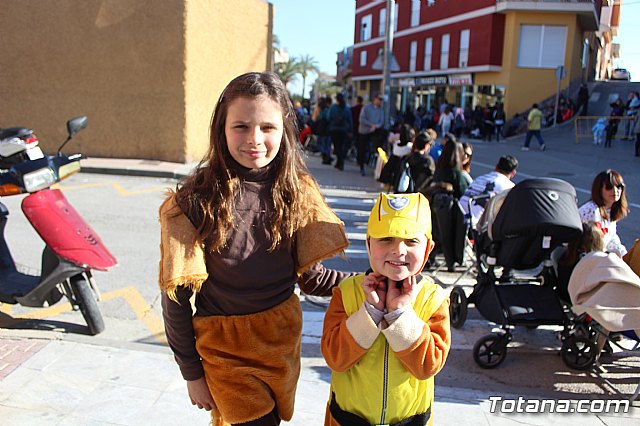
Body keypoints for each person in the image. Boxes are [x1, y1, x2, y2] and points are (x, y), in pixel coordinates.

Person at [159, 72, 352, 426]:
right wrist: (192, 372)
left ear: (285, 130)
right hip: (223, 351)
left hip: (280, 345)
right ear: (222, 128)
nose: (254, 140)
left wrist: (365, 280)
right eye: (241, 126)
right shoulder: (192, 202)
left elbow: (312, 279)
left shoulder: (299, 193)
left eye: (267, 127)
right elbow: (175, 298)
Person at [321, 192, 451, 426]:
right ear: (369, 243)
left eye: (411, 241)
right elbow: (335, 358)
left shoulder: (433, 299)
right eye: (386, 239)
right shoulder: (348, 292)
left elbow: (427, 366)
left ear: (428, 248)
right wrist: (370, 312)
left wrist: (399, 315)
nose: (398, 250)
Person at [579, 169, 629, 257]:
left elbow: (612, 240)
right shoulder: (592, 210)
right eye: (609, 187)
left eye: (619, 186)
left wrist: (626, 257)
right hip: (588, 259)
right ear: (599, 190)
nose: (615, 190)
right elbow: (593, 245)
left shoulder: (610, 209)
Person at [459, 155, 518, 224]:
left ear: (496, 167)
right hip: (474, 225)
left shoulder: (480, 178)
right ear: (513, 173)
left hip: (456, 216)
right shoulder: (509, 187)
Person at [358, 94, 385, 176]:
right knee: (362, 148)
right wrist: (371, 125)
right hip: (365, 131)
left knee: (377, 148)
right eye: (379, 99)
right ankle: (361, 166)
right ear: (375, 99)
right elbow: (362, 119)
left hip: (375, 132)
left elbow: (381, 121)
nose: (379, 101)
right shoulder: (366, 108)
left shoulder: (381, 110)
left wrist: (376, 126)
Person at [328, 93, 353, 171]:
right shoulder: (347, 109)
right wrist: (350, 130)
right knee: (341, 146)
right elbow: (350, 120)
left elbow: (328, 117)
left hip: (334, 129)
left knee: (337, 146)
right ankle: (339, 162)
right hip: (343, 130)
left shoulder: (333, 108)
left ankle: (340, 162)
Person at [311, 97, 333, 164]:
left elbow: (315, 120)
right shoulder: (329, 110)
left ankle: (325, 155)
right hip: (329, 130)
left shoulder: (321, 113)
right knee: (327, 145)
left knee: (319, 144)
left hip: (322, 131)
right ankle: (328, 157)